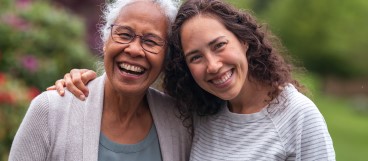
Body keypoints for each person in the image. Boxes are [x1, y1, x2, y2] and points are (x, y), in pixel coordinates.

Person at [50, 0, 336, 160]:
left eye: (219, 45)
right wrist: (81, 80)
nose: (213, 66)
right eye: (195, 57)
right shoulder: (200, 111)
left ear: (245, 41)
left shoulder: (297, 116)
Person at [9, 0, 191, 161]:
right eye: (125, 34)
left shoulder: (179, 122)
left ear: (166, 58)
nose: (134, 50)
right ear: (105, 42)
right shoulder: (51, 111)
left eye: (151, 41)